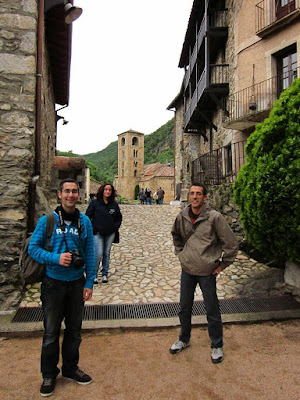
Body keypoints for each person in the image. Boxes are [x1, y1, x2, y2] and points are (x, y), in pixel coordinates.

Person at [28, 178, 96, 397]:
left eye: (74, 191)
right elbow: (33, 249)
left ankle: (70, 368)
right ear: (59, 194)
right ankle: (48, 374)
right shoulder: (47, 220)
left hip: (76, 284)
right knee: (51, 332)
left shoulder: (84, 221)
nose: (70, 195)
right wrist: (55, 258)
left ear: (78, 194)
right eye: (66, 191)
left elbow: (91, 253)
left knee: (74, 332)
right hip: (53, 284)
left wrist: (89, 281)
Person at [170, 183, 238, 363]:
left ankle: (216, 345)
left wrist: (222, 265)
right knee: (184, 307)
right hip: (187, 270)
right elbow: (176, 235)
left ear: (204, 197)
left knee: (211, 309)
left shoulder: (214, 217)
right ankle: (183, 339)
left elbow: (231, 243)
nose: (194, 197)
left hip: (207, 271)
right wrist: (181, 254)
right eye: (192, 193)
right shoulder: (182, 216)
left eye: (198, 194)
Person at [86, 183, 122, 284]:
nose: (108, 192)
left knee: (106, 253)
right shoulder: (95, 203)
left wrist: (115, 227)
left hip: (110, 233)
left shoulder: (114, 204)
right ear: (102, 190)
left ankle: (104, 273)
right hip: (97, 232)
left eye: (110, 190)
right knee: (98, 253)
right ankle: (93, 274)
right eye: (106, 190)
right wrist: (93, 228)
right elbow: (87, 216)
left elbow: (119, 217)